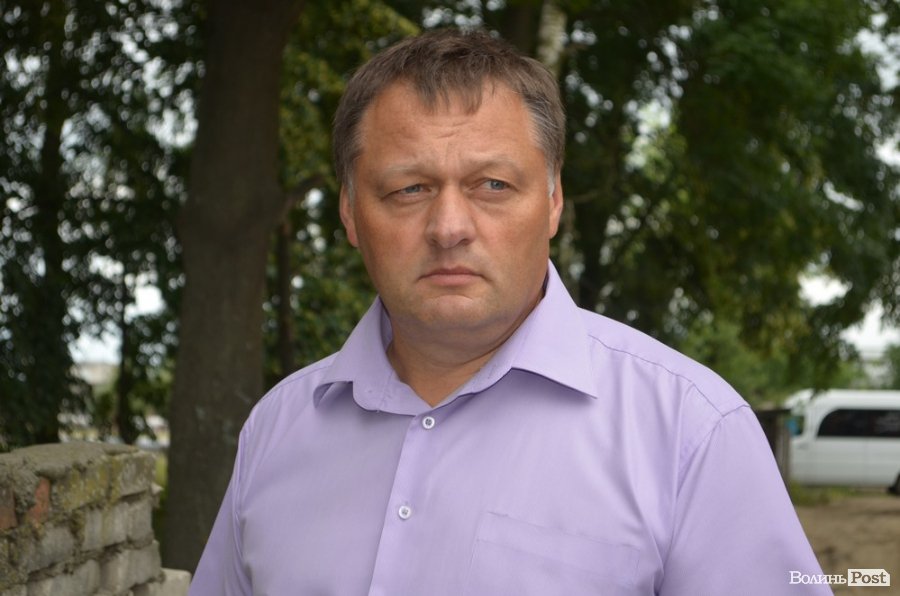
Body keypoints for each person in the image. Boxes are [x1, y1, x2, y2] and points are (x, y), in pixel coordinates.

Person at [190, 28, 831, 595]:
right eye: (409, 188)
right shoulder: (276, 431)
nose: (449, 227)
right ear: (351, 214)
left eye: (492, 185)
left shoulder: (689, 432)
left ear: (552, 202)